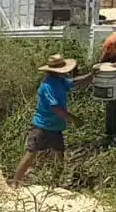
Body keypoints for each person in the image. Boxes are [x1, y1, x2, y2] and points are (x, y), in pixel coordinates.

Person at [11, 55, 94, 186]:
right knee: (31, 153)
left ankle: (54, 184)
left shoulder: (60, 81)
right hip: (42, 126)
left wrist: (91, 75)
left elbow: (75, 82)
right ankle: (15, 182)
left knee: (59, 155)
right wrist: (74, 119)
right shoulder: (48, 85)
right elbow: (56, 109)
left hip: (55, 127)